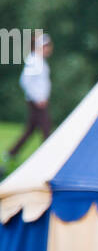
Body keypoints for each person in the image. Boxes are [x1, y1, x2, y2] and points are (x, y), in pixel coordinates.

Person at [5, 33, 53, 161]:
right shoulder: (34, 61)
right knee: (46, 129)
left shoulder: (40, 61)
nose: (47, 49)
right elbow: (25, 81)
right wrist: (38, 98)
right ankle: (48, 158)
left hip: (40, 101)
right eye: (45, 46)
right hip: (36, 102)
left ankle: (11, 154)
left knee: (30, 131)